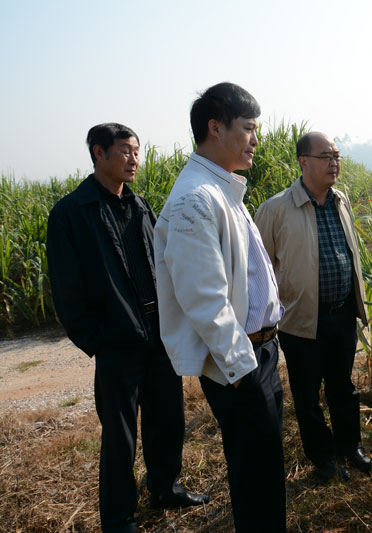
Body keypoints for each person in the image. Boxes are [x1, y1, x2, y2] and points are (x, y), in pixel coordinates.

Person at [47, 123, 208, 533]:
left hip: (158, 336)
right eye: (125, 151)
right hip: (116, 345)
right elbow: (66, 288)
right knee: (120, 438)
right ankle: (119, 518)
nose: (134, 159)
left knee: (168, 420)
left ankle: (165, 488)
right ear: (98, 153)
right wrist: (97, 340)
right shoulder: (72, 213)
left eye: (137, 151)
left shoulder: (140, 206)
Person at [154, 83, 285, 532]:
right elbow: (204, 297)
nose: (255, 140)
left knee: (265, 465)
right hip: (241, 361)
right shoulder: (195, 198)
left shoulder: (221, 189)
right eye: (248, 129)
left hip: (259, 353)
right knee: (255, 473)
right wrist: (242, 368)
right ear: (215, 127)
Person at [255, 131, 370, 482]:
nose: (334, 162)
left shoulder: (340, 200)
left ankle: (350, 447)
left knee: (343, 387)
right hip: (302, 321)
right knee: (307, 395)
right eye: (326, 156)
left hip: (342, 314)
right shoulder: (276, 209)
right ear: (303, 162)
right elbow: (258, 268)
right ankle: (323, 458)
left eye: (337, 155)